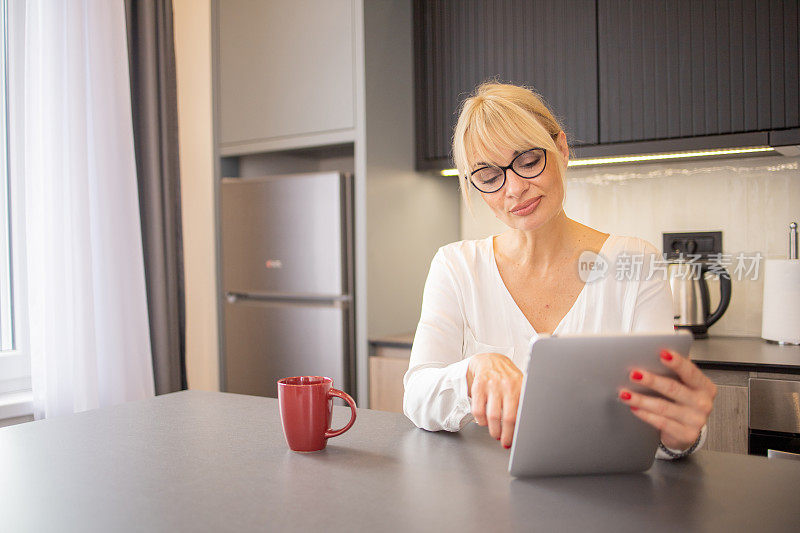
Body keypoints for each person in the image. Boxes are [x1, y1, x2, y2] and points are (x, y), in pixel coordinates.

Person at [403, 82, 716, 460]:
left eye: (529, 161)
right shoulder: (456, 267)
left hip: (606, 497)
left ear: (561, 150)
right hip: (488, 504)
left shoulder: (635, 262)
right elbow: (417, 396)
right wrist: (474, 370)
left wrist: (680, 437)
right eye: (489, 177)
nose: (515, 188)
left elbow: (662, 419)